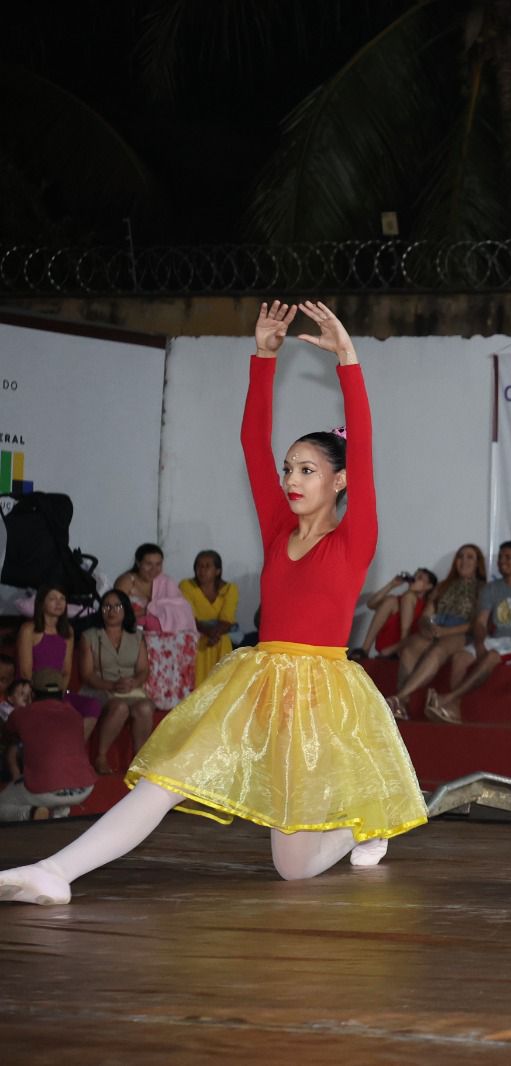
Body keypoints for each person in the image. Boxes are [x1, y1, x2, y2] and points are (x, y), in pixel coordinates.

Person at [0, 300, 426, 906]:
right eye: (289, 469)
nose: (291, 479)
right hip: (256, 682)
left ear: (341, 480)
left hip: (320, 696)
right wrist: (264, 358)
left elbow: (367, 445)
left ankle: (365, 824)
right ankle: (55, 872)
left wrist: (349, 360)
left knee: (293, 869)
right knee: (169, 775)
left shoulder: (355, 540)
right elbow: (252, 442)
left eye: (307, 470)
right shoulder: (278, 529)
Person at [424, 540, 511, 723]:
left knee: (491, 656)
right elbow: (480, 623)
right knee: (460, 657)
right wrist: (479, 644)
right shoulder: (492, 588)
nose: (502, 562)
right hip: (496, 640)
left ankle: (448, 698)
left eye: (508, 557)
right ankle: (454, 709)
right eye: (500, 558)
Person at [388, 544, 486, 718]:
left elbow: (477, 622)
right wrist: (427, 626)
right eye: (460, 557)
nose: (464, 561)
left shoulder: (483, 588)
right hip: (436, 627)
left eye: (470, 557)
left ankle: (399, 696)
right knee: (410, 648)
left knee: (438, 649)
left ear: (478, 563)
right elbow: (427, 614)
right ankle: (401, 705)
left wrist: (445, 632)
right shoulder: (443, 586)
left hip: (461, 632)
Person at [79, 589, 158, 775]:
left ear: (125, 610)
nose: (112, 610)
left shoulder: (137, 636)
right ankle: (101, 756)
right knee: (120, 707)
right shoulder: (89, 636)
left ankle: (139, 761)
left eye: (117, 606)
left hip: (130, 688)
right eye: (106, 606)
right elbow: (87, 675)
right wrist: (112, 685)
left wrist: (134, 682)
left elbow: (143, 670)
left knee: (145, 707)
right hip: (100, 688)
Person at [115, 545, 199, 711]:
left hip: (160, 633)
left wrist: (156, 614)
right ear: (138, 563)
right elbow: (116, 610)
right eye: (148, 564)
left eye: (158, 564)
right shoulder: (127, 581)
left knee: (185, 640)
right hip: (133, 632)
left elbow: (181, 608)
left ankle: (175, 697)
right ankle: (154, 695)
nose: (154, 569)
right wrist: (145, 614)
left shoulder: (166, 582)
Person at [0, 680, 97, 821]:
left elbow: (6, 736)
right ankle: (59, 815)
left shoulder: (22, 714)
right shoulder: (74, 713)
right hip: (84, 787)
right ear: (61, 694)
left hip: (47, 787)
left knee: (2, 805)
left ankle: (31, 813)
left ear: (32, 694)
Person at [16, 584, 101, 733]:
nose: (59, 603)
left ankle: (75, 744)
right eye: (53, 599)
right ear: (41, 603)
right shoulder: (29, 629)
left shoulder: (68, 631)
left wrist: (59, 695)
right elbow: (25, 673)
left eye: (62, 599)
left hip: (57, 692)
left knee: (93, 705)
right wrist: (42, 696)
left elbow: (66, 671)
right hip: (33, 692)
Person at [179, 550, 239, 684]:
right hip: (197, 639)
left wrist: (214, 634)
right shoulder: (186, 586)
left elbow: (227, 620)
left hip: (219, 640)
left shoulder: (230, 589)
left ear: (218, 571)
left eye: (207, 566)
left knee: (220, 685)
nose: (202, 570)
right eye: (199, 566)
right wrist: (209, 632)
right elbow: (189, 618)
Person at [354, 568, 437, 659]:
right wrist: (392, 585)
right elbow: (371, 604)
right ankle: (365, 649)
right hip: (387, 644)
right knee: (390, 600)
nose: (414, 579)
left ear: (429, 586)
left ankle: (401, 648)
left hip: (409, 644)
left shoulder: (425, 606)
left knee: (408, 596)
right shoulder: (396, 600)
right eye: (414, 576)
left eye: (420, 578)